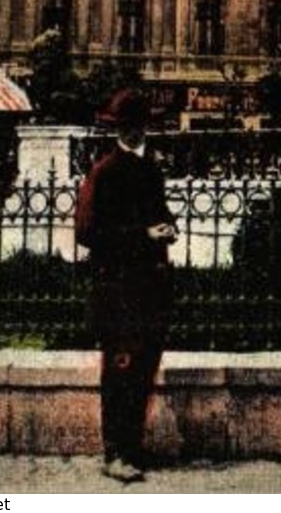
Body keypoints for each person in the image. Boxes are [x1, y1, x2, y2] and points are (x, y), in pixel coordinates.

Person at [75, 88, 177, 483]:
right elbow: (87, 233)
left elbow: (162, 214)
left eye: (138, 125)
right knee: (120, 373)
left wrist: (169, 229)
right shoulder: (104, 172)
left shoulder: (151, 170)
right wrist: (144, 235)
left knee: (143, 372)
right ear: (116, 129)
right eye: (126, 126)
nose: (134, 132)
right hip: (117, 291)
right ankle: (115, 452)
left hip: (150, 288)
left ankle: (132, 447)